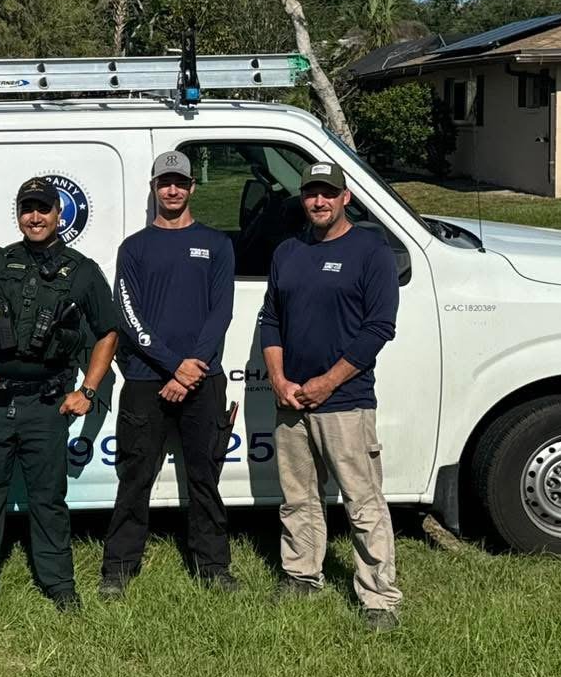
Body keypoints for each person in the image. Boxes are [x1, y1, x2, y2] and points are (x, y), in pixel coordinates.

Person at [0, 177, 121, 615]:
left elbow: (108, 332)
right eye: (27, 209)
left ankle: (60, 586)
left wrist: (88, 390)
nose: (35, 217)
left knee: (48, 499)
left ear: (58, 214)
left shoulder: (82, 270)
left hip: (47, 404)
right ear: (19, 214)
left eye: (43, 209)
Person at [258, 159, 403, 631]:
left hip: (345, 400)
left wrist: (328, 382)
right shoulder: (288, 251)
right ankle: (303, 574)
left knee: (363, 502)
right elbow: (271, 320)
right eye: (310, 193)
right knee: (298, 497)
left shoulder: (370, 251)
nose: (318, 201)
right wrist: (279, 381)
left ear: (346, 198)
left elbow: (378, 328)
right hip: (293, 400)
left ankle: (379, 597)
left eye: (327, 193)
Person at [101, 151, 237, 598]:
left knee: (205, 477)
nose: (172, 190)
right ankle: (118, 569)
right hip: (145, 379)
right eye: (164, 183)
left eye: (180, 183)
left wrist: (192, 367)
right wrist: (171, 365)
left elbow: (221, 313)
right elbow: (129, 315)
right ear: (154, 189)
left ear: (192, 187)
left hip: (203, 379)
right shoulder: (134, 248)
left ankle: (213, 567)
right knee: (135, 477)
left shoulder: (217, 244)